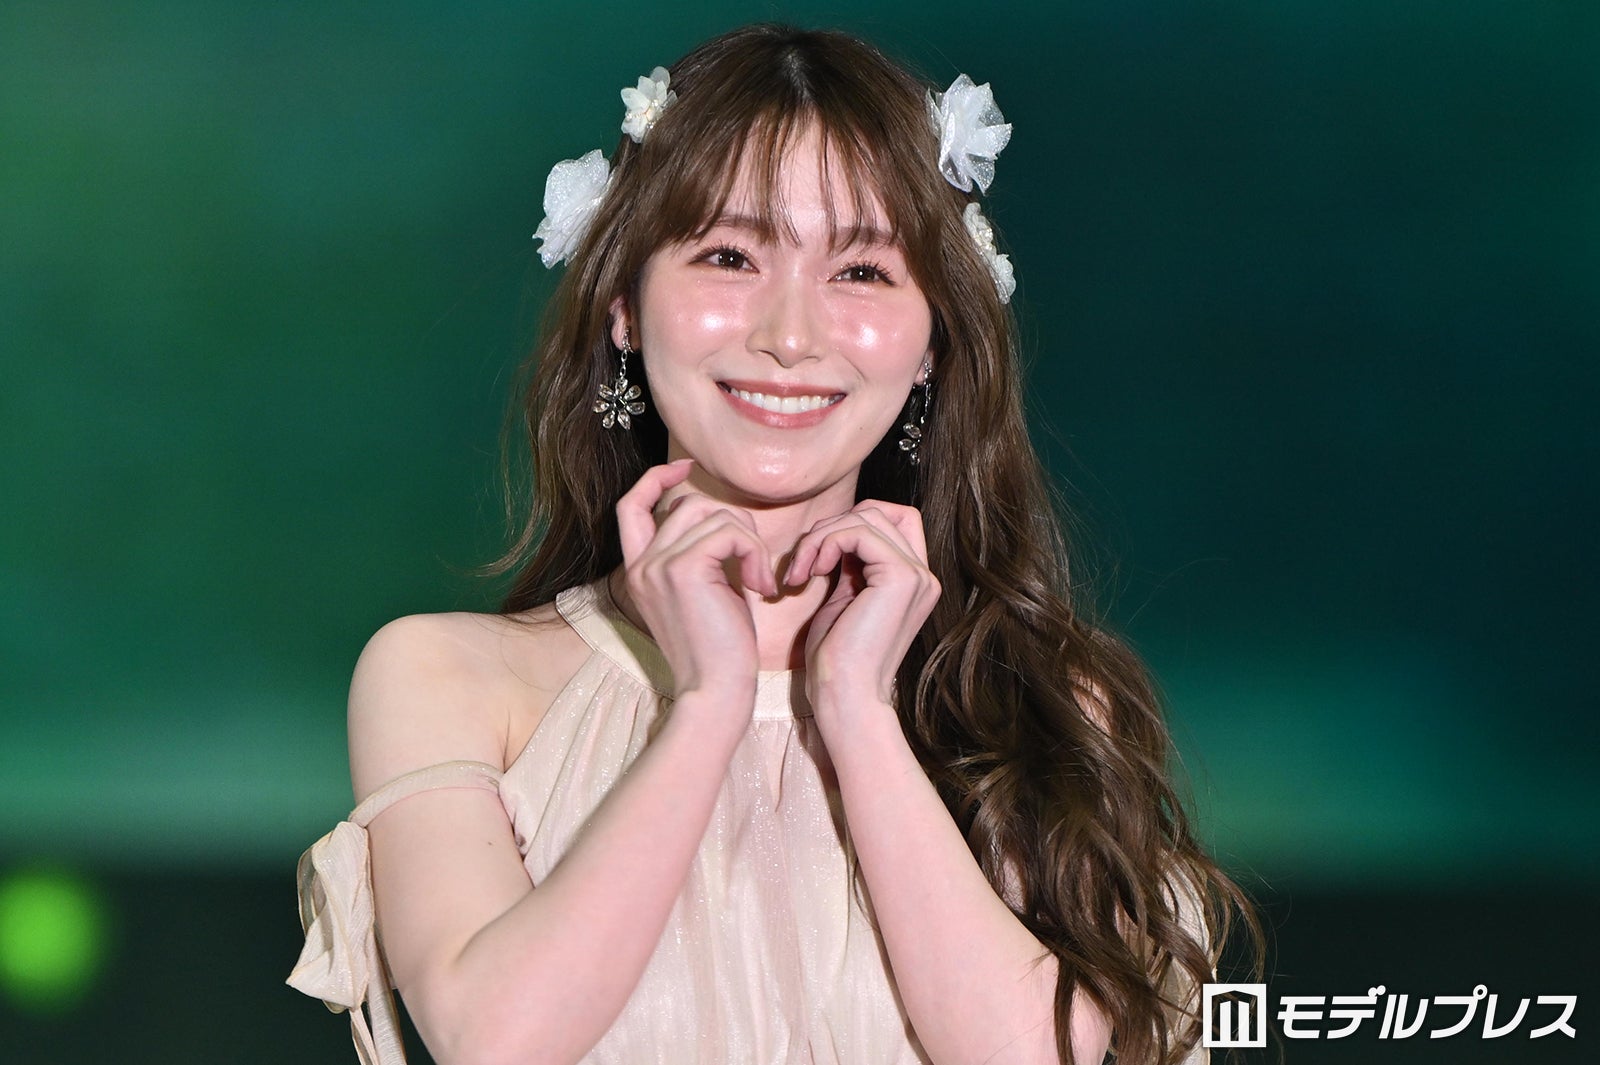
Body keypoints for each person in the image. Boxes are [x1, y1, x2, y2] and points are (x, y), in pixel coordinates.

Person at [289, 23, 1255, 1065]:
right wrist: (707, 701)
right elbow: (497, 1040)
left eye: (862, 271)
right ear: (624, 310)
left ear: (932, 341)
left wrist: (858, 712)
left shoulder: (1033, 697)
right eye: (728, 256)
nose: (790, 335)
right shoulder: (450, 679)